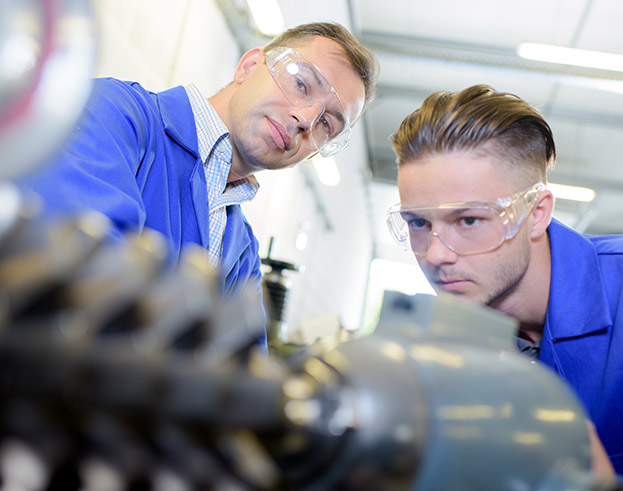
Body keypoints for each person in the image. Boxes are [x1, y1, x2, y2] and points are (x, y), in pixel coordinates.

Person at [17, 22, 379, 349]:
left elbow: (241, 376)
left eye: (327, 124)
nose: (305, 118)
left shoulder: (242, 251)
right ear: (250, 65)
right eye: (301, 84)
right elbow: (84, 278)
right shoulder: (116, 116)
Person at [386, 84, 623, 477]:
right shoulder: (442, 353)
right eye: (418, 223)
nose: (436, 254)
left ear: (536, 213)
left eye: (469, 221)